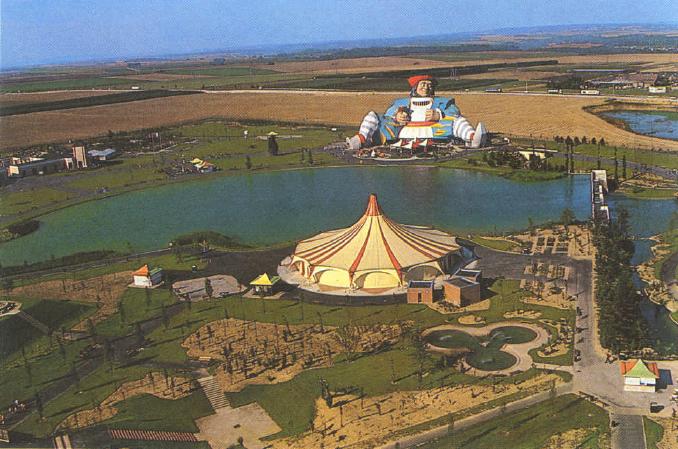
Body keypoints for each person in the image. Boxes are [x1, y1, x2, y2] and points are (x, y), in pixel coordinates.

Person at [347, 75, 487, 150]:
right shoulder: (401, 102)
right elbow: (388, 114)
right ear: (415, 87)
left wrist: (440, 114)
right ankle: (360, 140)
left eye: (429, 85)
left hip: (434, 129)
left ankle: (473, 137)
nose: (426, 87)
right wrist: (397, 115)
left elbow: (455, 112)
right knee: (372, 116)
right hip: (402, 130)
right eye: (423, 84)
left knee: (458, 121)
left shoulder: (443, 101)